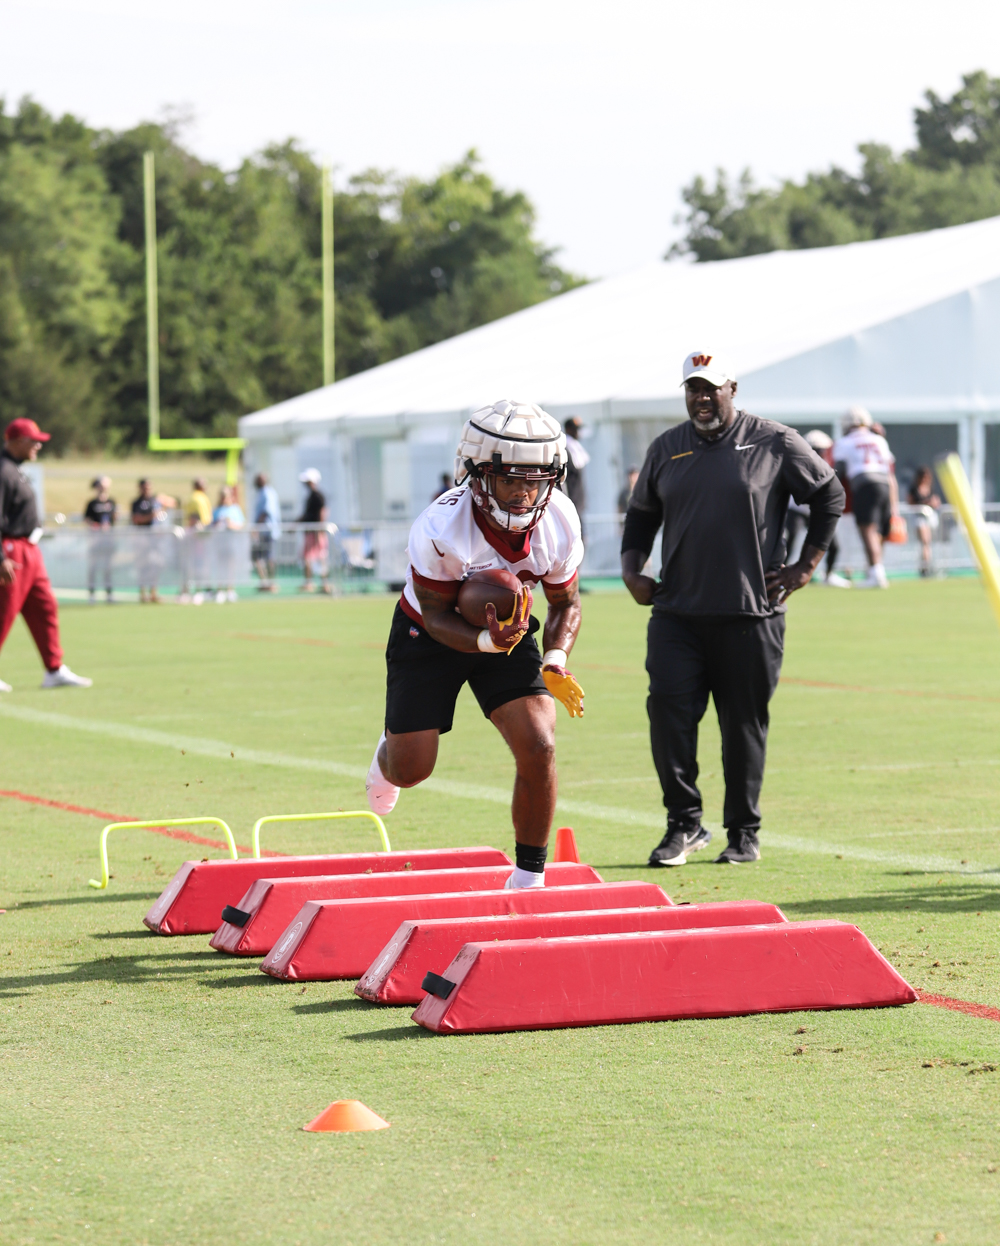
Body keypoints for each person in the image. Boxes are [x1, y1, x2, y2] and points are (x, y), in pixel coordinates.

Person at [621, 352, 844, 868]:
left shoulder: (776, 441)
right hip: (677, 612)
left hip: (751, 614)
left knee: (742, 727)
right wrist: (633, 570)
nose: (701, 399)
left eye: (710, 388)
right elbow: (640, 517)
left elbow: (829, 495)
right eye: (692, 389)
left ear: (732, 389)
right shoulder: (666, 448)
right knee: (669, 715)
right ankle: (684, 825)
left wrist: (805, 567)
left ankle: (743, 832)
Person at [365, 399, 586, 889]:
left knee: (540, 744)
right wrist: (485, 640)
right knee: (410, 770)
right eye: (510, 478)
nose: (524, 493)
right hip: (429, 632)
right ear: (476, 472)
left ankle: (529, 877)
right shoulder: (442, 525)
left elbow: (567, 603)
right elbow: (436, 613)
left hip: (508, 631)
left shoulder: (560, 522)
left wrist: (554, 659)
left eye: (536, 479)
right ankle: (387, 753)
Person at [0, 418, 91, 690]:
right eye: (33, 440)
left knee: (45, 607)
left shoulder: (14, 469)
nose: (38, 445)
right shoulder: (2, 471)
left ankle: (54, 669)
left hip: (29, 550)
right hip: (11, 550)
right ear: (16, 441)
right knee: (3, 611)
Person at [833, 407, 899, 589]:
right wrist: (894, 504)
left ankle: (876, 572)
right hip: (884, 482)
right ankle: (876, 569)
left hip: (864, 483)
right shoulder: (879, 440)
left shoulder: (844, 442)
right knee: (878, 530)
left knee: (867, 529)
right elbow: (890, 470)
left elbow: (838, 472)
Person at [783, 431, 850, 588]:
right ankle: (780, 572)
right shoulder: (800, 463)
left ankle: (829, 575)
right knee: (789, 540)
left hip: (816, 511)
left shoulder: (826, 465)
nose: (821, 452)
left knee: (832, 545)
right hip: (798, 508)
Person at [130, 479, 176, 603]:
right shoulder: (137, 503)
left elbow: (169, 506)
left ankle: (153, 592)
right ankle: (143, 593)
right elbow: (136, 519)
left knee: (156, 565)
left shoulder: (155, 501)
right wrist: (151, 516)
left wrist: (164, 504)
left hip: (155, 539)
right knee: (143, 566)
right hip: (142, 538)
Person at [298, 468, 333, 594]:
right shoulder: (311, 496)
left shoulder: (318, 496)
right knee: (310, 558)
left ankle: (323, 584)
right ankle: (311, 583)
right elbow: (307, 514)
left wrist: (319, 530)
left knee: (320, 558)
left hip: (316, 532)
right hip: (311, 532)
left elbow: (322, 513)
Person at [84, 476, 116, 603]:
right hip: (96, 540)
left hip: (108, 539)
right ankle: (92, 593)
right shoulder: (92, 503)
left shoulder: (111, 502)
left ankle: (109, 593)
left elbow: (114, 517)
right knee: (94, 567)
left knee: (108, 567)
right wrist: (95, 526)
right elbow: (87, 518)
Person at [212, 485, 245, 603]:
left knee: (231, 567)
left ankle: (230, 590)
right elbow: (211, 525)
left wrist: (230, 524)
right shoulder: (216, 510)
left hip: (231, 542)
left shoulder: (235, 509)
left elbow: (240, 525)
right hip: (220, 543)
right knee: (220, 567)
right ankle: (220, 590)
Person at [908, 465, 941, 577]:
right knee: (925, 542)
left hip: (929, 518)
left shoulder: (931, 488)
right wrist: (925, 503)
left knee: (928, 543)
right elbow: (911, 502)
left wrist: (933, 502)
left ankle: (928, 565)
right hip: (919, 518)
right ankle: (925, 567)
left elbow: (937, 502)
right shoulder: (914, 489)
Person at [252, 472, 281, 592]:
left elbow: (265, 511)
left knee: (269, 558)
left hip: (267, 531)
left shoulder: (267, 493)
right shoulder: (262, 493)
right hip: (264, 531)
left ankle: (271, 583)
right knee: (258, 557)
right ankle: (265, 582)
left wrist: (257, 527)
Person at [561, 417, 590, 520]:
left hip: (578, 499)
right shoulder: (565, 447)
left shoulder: (575, 446)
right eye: (576, 429)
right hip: (571, 499)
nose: (578, 432)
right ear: (568, 429)